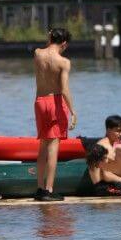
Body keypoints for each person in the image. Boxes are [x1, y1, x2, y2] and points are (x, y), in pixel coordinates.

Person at [33, 28, 77, 201]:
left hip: (39, 102)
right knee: (53, 148)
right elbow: (64, 88)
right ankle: (49, 190)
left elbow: (45, 48)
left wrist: (49, 39)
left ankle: (39, 188)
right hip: (55, 102)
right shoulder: (63, 62)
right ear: (64, 43)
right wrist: (73, 111)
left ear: (50, 38)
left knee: (43, 146)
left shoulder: (37, 54)